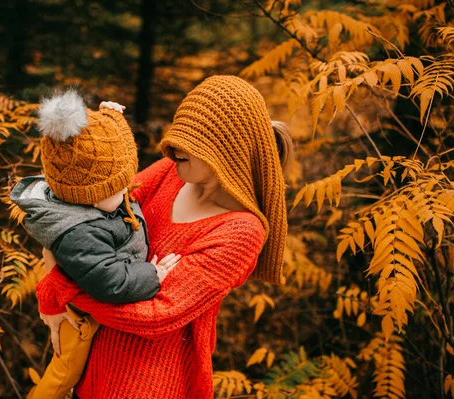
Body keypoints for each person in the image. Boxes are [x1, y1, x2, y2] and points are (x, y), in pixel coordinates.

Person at [36, 75, 293, 399]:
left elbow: (155, 317)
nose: (172, 147)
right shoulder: (171, 173)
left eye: (189, 140)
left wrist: (60, 287)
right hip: (88, 368)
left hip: (145, 384)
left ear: (227, 150)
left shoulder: (239, 232)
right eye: (177, 132)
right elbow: (87, 219)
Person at [9, 89, 181, 399]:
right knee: (63, 376)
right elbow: (109, 283)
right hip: (79, 320)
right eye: (116, 187)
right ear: (87, 195)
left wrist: (109, 119)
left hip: (89, 306)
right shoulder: (80, 231)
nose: (126, 191)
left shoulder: (92, 202)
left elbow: (95, 153)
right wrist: (151, 276)